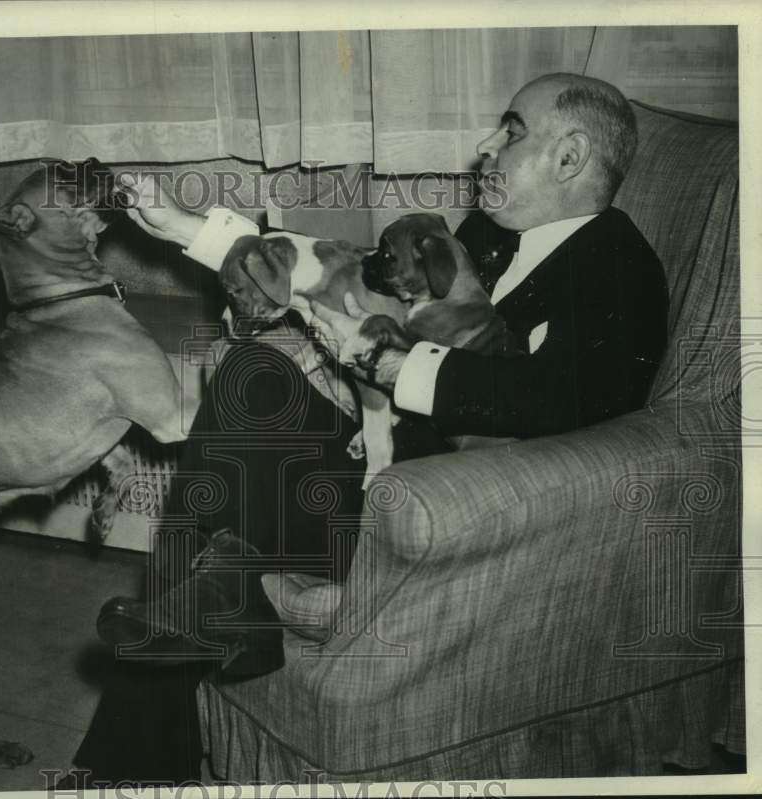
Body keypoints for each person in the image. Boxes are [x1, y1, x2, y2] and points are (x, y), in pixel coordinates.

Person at [59, 72, 668, 788]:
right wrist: (195, 230)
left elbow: (568, 396)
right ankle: (212, 624)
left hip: (457, 512)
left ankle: (127, 759)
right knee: (252, 380)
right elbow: (339, 273)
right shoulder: (481, 236)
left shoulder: (618, 266)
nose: (486, 146)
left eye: (511, 130)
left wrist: (391, 362)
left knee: (217, 522)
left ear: (568, 157)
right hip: (379, 473)